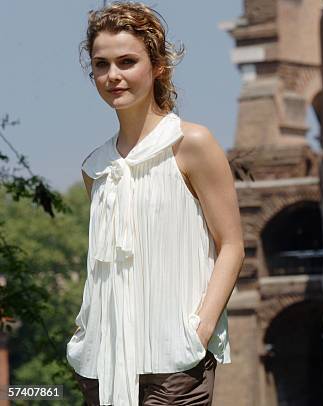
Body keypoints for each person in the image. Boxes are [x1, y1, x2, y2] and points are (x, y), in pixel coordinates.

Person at [66, 2, 245, 405]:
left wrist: (198, 331)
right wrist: (83, 336)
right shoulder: (96, 168)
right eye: (101, 64)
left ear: (158, 65)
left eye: (127, 61)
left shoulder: (192, 144)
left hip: (174, 364)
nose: (113, 76)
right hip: (101, 365)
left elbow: (232, 245)